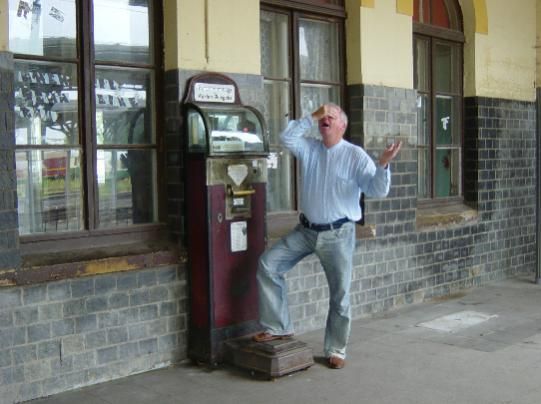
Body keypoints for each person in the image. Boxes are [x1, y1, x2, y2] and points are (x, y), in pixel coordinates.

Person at [253, 103, 402, 369]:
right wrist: (311, 116)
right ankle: (278, 326)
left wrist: (383, 164)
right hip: (306, 230)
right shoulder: (310, 148)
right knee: (268, 264)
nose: (326, 119)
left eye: (331, 116)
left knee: (340, 294)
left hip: (338, 234)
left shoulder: (355, 155)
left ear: (342, 126)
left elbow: (377, 190)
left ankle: (336, 348)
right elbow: (286, 138)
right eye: (323, 116)